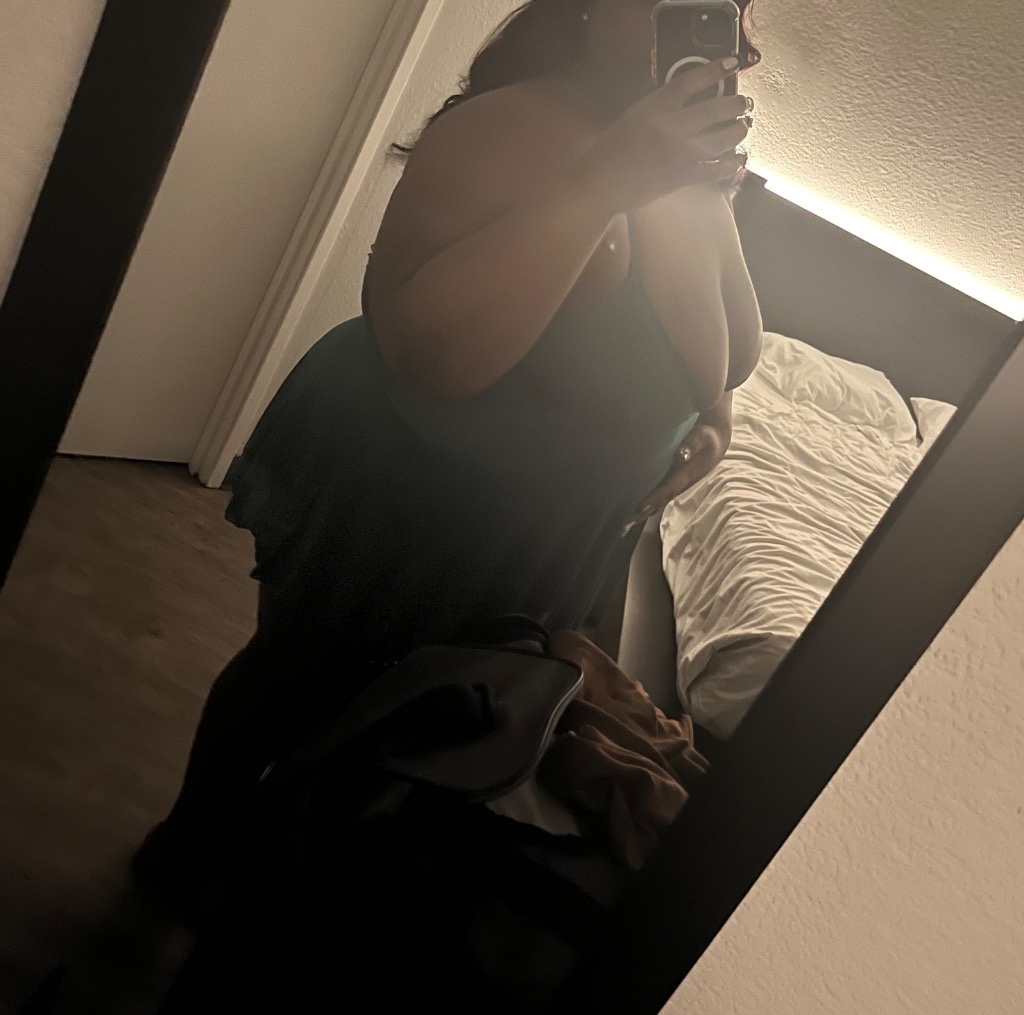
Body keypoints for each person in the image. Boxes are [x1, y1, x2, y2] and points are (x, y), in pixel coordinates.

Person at [133, 0, 763, 912]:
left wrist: (712, 421)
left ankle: (292, 896)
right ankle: (184, 859)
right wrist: (605, 181)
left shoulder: (687, 165)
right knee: (302, 684)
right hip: (415, 496)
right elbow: (432, 363)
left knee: (439, 724)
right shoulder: (510, 130)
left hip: (559, 525)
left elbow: (724, 352)